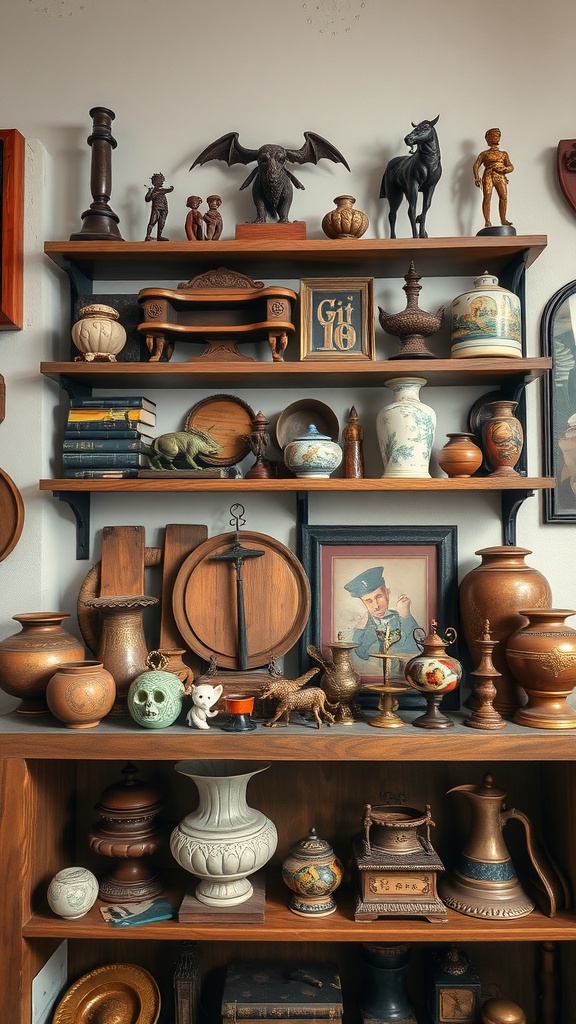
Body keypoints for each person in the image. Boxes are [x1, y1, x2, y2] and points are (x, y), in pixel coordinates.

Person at [344, 565, 419, 662]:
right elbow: (359, 654)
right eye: (368, 601)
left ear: (387, 593)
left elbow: (416, 650)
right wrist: (361, 625)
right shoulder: (364, 624)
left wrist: (405, 617)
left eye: (379, 596)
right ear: (363, 603)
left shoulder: (400, 618)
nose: (376, 606)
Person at [473, 128, 514, 229]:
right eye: (493, 136)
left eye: (497, 136)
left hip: (500, 176)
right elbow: (476, 165)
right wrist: (477, 177)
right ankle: (487, 221)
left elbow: (511, 166)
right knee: (487, 197)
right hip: (488, 175)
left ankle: (503, 219)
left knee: (503, 197)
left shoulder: (503, 154)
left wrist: (504, 169)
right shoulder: (484, 154)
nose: (495, 138)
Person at [144, 172, 174, 241]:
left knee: (161, 222)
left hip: (164, 208)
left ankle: (158, 236)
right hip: (157, 208)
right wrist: (149, 191)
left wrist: (150, 192)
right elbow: (170, 189)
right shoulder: (158, 190)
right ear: (156, 182)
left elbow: (147, 199)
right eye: (161, 181)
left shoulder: (156, 191)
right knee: (153, 221)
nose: (162, 183)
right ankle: (148, 236)